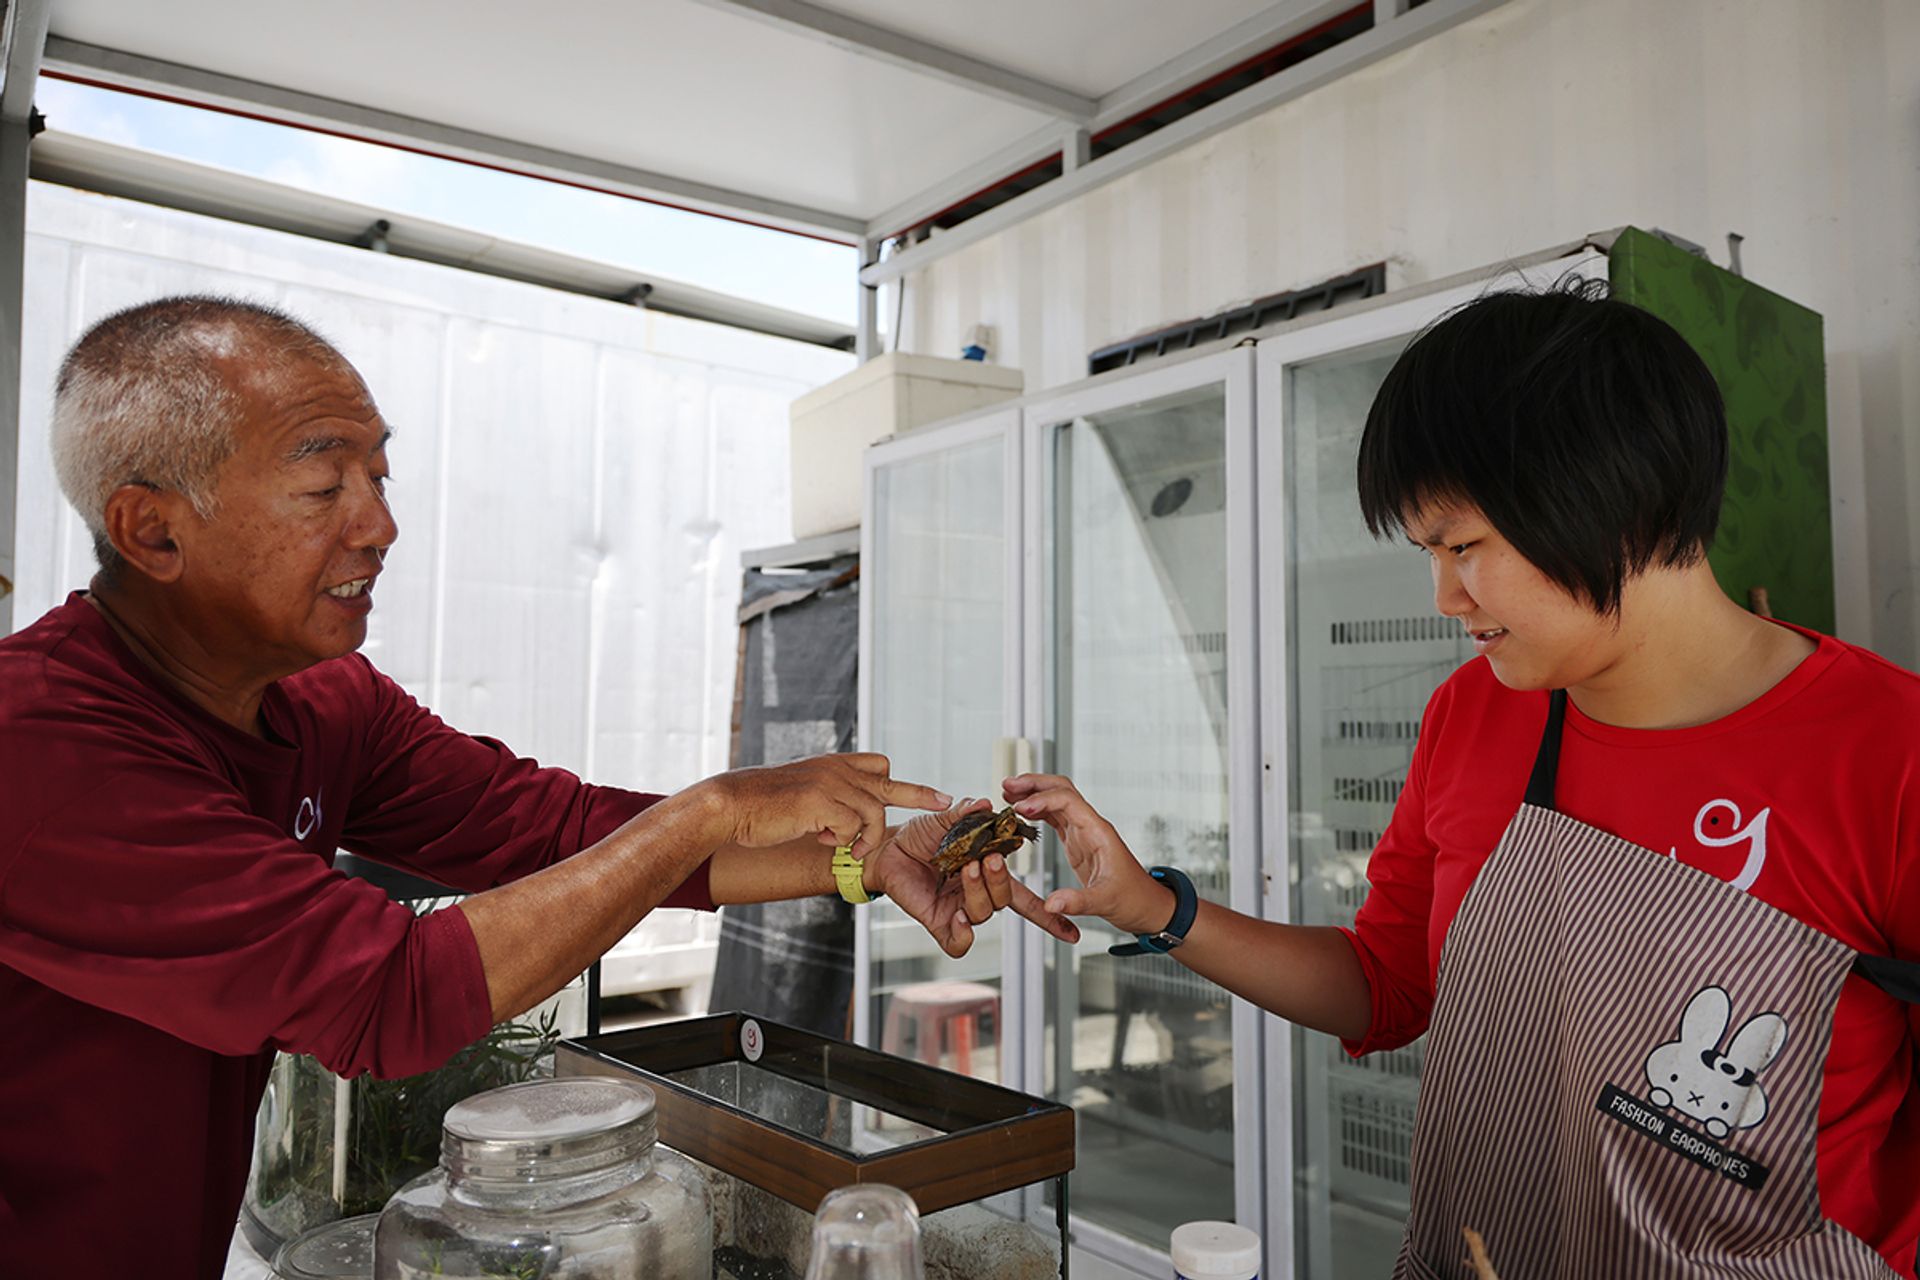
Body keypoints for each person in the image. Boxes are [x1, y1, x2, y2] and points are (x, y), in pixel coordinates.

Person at [0, 296, 1078, 1280]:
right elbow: (386, 996)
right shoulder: (43, 745)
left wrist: (859, 859)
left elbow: (555, 831)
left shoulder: (325, 701)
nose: (378, 523)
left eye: (381, 476)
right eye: (324, 485)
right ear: (153, 529)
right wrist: (716, 801)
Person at [1008, 282, 1920, 1277]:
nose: (1445, 596)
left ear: (1616, 500)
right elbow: (1388, 985)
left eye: (1463, 546)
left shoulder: (1889, 752)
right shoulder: (1474, 715)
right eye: (1427, 552)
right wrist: (1150, 904)